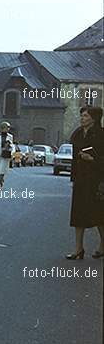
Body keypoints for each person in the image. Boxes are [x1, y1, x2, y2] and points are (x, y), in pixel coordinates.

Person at [66, 106, 104, 259]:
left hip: (97, 179)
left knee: (98, 215)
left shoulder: (101, 135)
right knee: (78, 215)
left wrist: (93, 159)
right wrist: (73, 178)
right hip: (81, 179)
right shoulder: (77, 135)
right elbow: (75, 159)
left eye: (86, 116)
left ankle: (102, 245)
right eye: (81, 115)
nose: (82, 118)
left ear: (94, 118)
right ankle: (78, 249)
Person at [0, 121, 14, 190]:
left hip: (6, 154)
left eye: (8, 128)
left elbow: (12, 145)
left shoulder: (10, 136)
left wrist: (12, 152)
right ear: (2, 128)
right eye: (6, 128)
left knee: (2, 169)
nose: (7, 129)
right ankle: (1, 179)